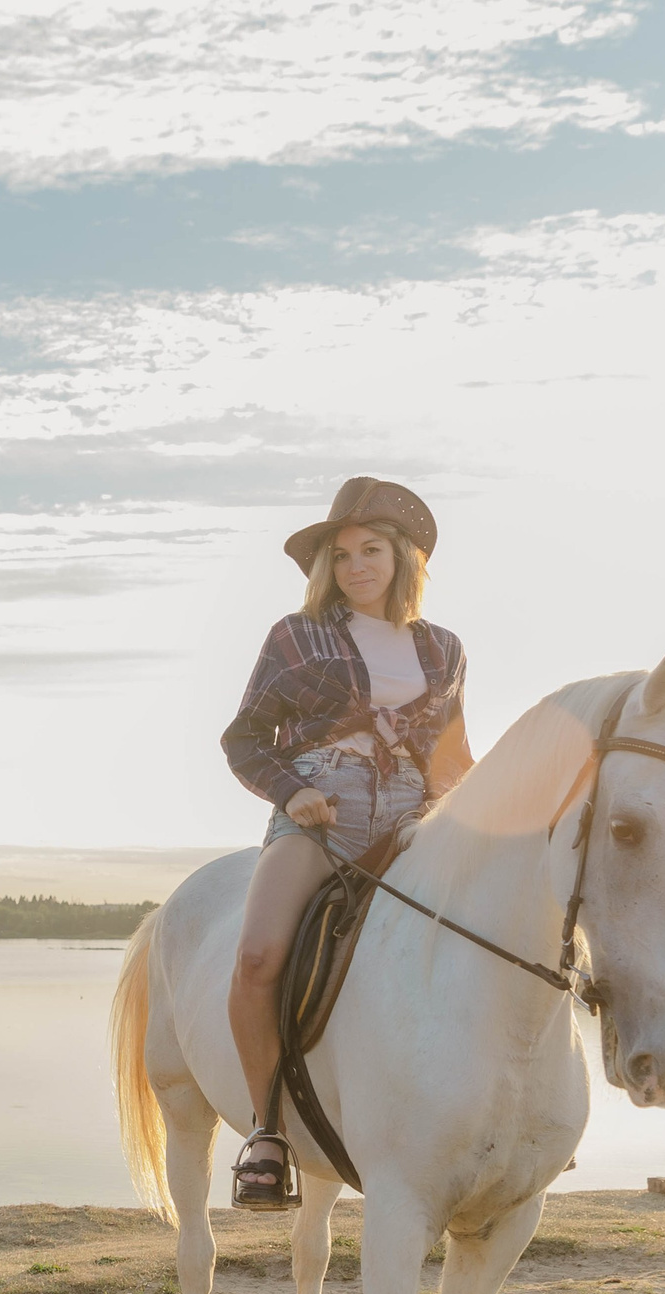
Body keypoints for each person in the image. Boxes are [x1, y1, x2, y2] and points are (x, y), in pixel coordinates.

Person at [218, 477, 475, 1211]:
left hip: (412, 821)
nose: (357, 565)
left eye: (371, 550)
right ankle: (267, 1135)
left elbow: (454, 760)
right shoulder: (294, 637)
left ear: (403, 559)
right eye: (342, 554)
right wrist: (289, 790)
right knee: (259, 953)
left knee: (487, 934)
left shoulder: (445, 649)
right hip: (320, 811)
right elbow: (242, 739)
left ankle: (500, 1109)